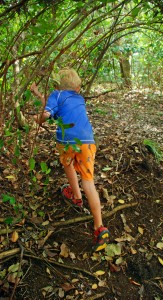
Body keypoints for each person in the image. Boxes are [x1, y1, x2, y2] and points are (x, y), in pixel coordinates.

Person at [30, 67, 110, 251]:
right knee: (89, 182)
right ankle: (99, 226)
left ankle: (76, 196)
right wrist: (37, 95)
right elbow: (53, 105)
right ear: (78, 88)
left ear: (57, 86)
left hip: (67, 141)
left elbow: (48, 112)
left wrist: (37, 120)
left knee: (68, 165)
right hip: (88, 142)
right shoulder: (78, 98)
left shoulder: (56, 95)